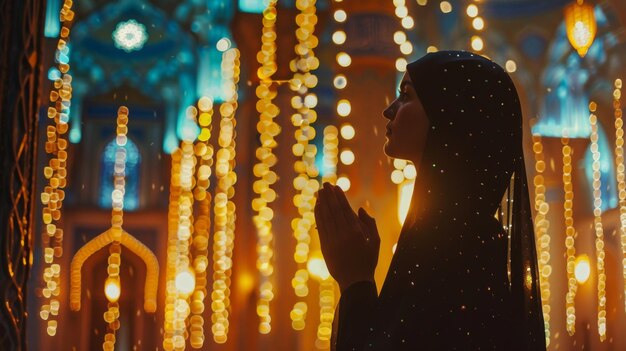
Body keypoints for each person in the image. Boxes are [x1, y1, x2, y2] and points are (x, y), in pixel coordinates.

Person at [314, 51, 546, 350]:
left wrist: (355, 282)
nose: (389, 110)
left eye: (406, 95)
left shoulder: (461, 245)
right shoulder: (450, 234)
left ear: (449, 115)